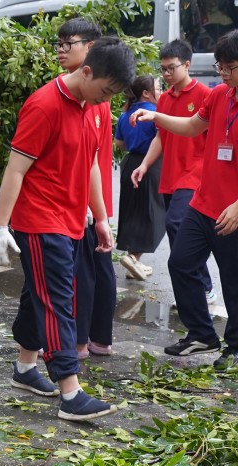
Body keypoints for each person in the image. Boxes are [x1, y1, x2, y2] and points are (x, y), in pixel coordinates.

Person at [0, 37, 135, 421]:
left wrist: (100, 218)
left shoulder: (93, 107)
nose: (106, 101)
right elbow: (15, 169)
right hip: (39, 220)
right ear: (86, 71)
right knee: (58, 300)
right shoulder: (44, 105)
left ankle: (23, 368)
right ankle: (70, 389)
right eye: (104, 91)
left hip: (72, 219)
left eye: (112, 96)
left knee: (36, 296)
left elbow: (89, 166)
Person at [133, 30, 238, 369]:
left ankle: (235, 347)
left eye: (230, 67)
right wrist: (156, 116)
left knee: (233, 280)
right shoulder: (221, 94)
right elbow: (193, 126)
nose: (222, 73)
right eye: (220, 66)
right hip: (203, 202)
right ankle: (202, 334)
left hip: (232, 210)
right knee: (180, 262)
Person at [132, 39, 216, 303]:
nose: (166, 74)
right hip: (171, 175)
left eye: (171, 68)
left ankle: (203, 285)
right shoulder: (165, 98)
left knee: (176, 223)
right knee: (180, 233)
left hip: (195, 173)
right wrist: (144, 165)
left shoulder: (205, 94)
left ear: (187, 65)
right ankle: (202, 286)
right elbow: (160, 136)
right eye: (163, 69)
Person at [55, 18, 117, 359]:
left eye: (70, 43)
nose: (62, 50)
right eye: (60, 44)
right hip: (91, 204)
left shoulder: (92, 96)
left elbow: (89, 159)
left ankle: (82, 342)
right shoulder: (80, 92)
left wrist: (96, 212)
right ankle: (95, 340)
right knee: (97, 270)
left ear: (90, 48)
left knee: (87, 274)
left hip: (85, 204)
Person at [114, 75, 165, 279]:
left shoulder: (125, 115)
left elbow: (120, 143)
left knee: (132, 211)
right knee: (153, 213)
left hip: (130, 164)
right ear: (146, 92)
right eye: (159, 87)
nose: (161, 91)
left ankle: (133, 261)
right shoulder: (156, 114)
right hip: (150, 165)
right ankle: (134, 259)